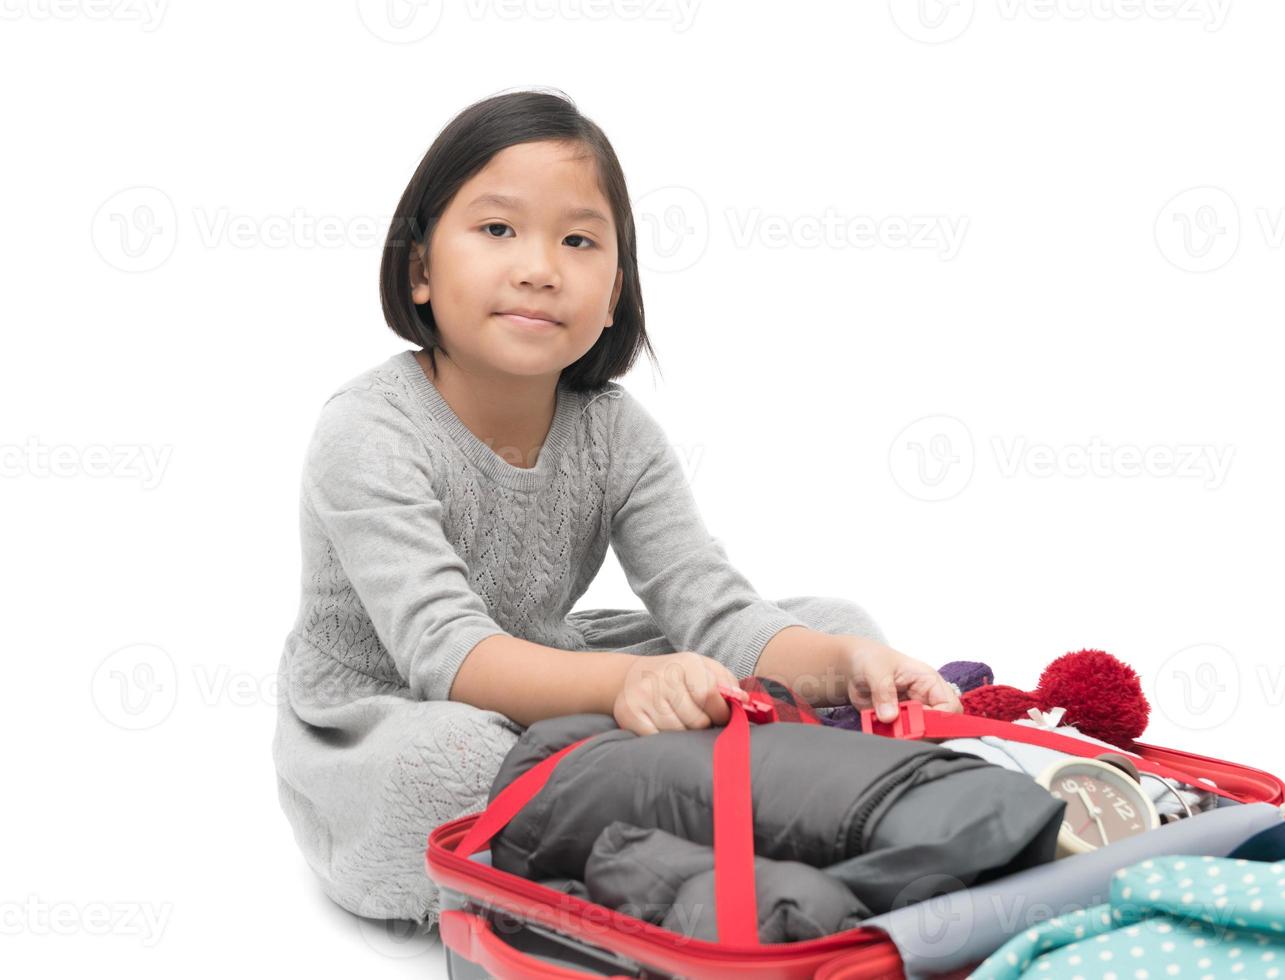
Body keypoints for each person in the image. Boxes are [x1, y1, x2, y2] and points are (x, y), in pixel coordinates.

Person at [271, 88, 962, 926]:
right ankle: (683, 838)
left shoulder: (614, 432)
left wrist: (848, 660)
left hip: (552, 663)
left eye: (577, 240)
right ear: (419, 269)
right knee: (455, 762)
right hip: (390, 715)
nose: (539, 266)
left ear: (613, 292)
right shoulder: (367, 431)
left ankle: (724, 814)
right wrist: (635, 683)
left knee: (831, 623)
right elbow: (445, 654)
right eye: (497, 230)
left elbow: (710, 605)